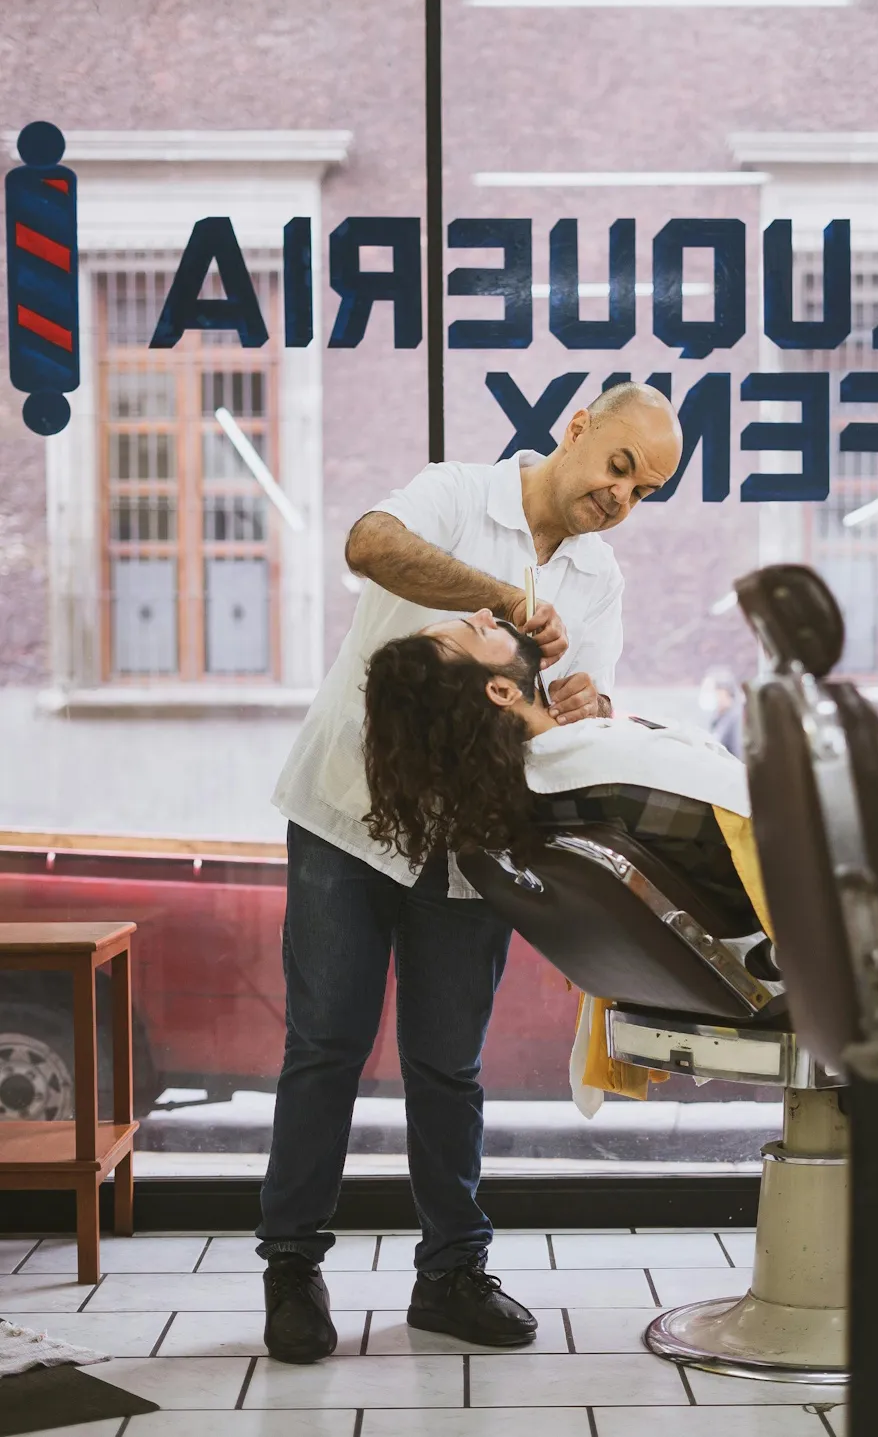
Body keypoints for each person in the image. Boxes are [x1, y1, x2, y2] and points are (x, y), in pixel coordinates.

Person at [257, 383, 682, 1364]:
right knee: (325, 1045)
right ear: (578, 428)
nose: (621, 495)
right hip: (346, 814)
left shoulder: (600, 578)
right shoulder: (457, 495)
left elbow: (564, 718)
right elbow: (369, 545)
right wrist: (504, 599)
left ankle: (451, 1273)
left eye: (644, 490)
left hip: (471, 843)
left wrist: (585, 707)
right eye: (620, 466)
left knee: (447, 1063)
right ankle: (292, 1266)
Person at [363, 611, 758, 938]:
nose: (486, 613)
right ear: (502, 692)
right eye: (477, 630)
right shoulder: (603, 770)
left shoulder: (540, 786)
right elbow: (758, 813)